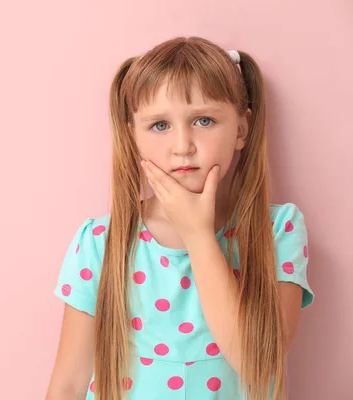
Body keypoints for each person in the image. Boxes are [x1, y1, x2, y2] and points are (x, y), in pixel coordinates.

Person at [45, 36, 314, 400]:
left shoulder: (278, 232)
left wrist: (198, 235)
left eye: (204, 120)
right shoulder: (100, 243)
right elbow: (67, 385)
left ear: (241, 129)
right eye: (160, 125)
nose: (183, 144)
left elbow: (257, 365)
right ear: (132, 136)